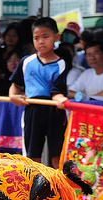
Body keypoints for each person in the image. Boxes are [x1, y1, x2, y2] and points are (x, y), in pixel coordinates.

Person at [9, 17, 69, 169]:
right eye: (37, 38)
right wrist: (13, 97)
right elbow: (15, 86)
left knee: (57, 153)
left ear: (56, 37)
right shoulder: (26, 62)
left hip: (54, 110)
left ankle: (61, 186)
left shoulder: (61, 63)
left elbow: (57, 92)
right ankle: (34, 187)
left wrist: (61, 100)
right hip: (33, 109)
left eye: (45, 37)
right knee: (32, 153)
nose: (41, 41)